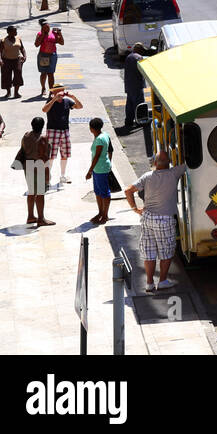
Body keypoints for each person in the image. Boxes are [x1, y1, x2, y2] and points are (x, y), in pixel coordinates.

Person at [124, 151, 188, 293]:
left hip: (147, 218)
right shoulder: (173, 173)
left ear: (154, 163)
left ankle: (149, 283)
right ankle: (163, 280)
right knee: (166, 251)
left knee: (149, 252)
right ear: (169, 162)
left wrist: (135, 209)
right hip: (165, 219)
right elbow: (190, 164)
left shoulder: (147, 176)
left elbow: (128, 190)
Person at [42, 85, 78, 188]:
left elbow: (79, 106)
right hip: (53, 131)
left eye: (62, 91)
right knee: (51, 155)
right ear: (53, 92)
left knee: (65, 154)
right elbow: (44, 110)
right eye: (59, 91)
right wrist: (54, 99)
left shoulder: (67, 101)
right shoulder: (50, 101)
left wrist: (73, 97)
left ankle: (62, 176)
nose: (61, 93)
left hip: (65, 131)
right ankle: (47, 179)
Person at [21, 117, 53, 227]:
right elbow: (45, 157)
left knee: (31, 191)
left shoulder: (26, 135)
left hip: (28, 165)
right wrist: (47, 173)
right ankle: (41, 219)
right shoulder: (43, 138)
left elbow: (23, 149)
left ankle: (30, 216)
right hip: (38, 166)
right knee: (40, 193)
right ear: (43, 125)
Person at [84, 117, 113, 225]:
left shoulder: (100, 139)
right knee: (98, 191)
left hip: (100, 169)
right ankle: (100, 212)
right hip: (99, 168)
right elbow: (110, 150)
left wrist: (89, 171)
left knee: (104, 193)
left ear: (91, 128)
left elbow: (97, 156)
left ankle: (105, 215)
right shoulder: (104, 135)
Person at [124, 44, 150, 156]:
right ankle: (140, 120)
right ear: (139, 50)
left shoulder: (129, 57)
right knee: (139, 104)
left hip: (129, 85)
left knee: (129, 103)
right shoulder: (138, 57)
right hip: (137, 85)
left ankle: (128, 121)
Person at [33, 19, 64, 96]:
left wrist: (59, 33)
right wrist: (43, 34)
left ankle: (51, 91)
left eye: (48, 26)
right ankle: (43, 87)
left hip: (52, 55)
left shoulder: (53, 33)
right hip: (43, 55)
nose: (48, 28)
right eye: (45, 27)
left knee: (51, 74)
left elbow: (62, 42)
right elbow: (36, 44)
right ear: (42, 28)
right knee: (43, 73)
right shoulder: (40, 34)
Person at [0, 25, 26, 99]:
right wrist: (0, 59)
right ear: (9, 32)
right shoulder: (3, 40)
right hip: (6, 60)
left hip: (17, 59)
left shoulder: (18, 39)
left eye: (16, 31)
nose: (16, 32)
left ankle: (16, 92)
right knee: (6, 76)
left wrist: (24, 56)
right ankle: (8, 92)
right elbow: (0, 51)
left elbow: (22, 48)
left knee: (18, 74)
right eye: (14, 31)